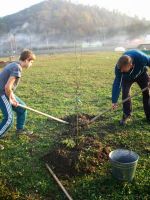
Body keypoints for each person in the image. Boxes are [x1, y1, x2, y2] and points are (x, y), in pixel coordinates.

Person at [0, 50, 36, 150]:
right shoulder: (17, 67)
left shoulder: (14, 64)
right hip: (2, 93)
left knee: (22, 108)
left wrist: (12, 97)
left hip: (5, 91)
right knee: (9, 119)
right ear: (27, 60)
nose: (31, 64)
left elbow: (8, 88)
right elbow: (7, 87)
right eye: (31, 62)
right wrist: (11, 99)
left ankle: (20, 129)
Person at [112, 49, 150, 125]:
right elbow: (117, 83)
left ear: (131, 65)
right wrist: (114, 100)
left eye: (123, 69)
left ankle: (149, 115)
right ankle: (127, 115)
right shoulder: (119, 68)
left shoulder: (142, 58)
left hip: (141, 74)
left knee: (147, 93)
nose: (121, 71)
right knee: (125, 94)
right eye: (120, 69)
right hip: (127, 78)